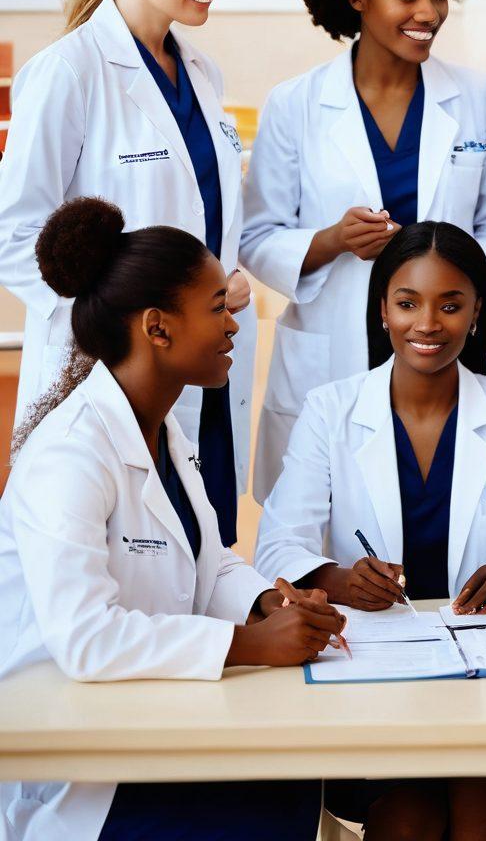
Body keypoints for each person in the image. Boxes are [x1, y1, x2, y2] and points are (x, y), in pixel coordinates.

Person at [0, 198, 345, 841]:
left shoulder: (163, 430)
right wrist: (254, 645)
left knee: (293, 783)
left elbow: (208, 563)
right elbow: (87, 640)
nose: (234, 325)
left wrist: (269, 601)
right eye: (217, 307)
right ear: (157, 328)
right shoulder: (70, 453)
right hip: (78, 761)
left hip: (150, 722)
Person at [256, 221, 486, 841]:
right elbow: (276, 545)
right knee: (405, 818)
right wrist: (342, 580)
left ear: (477, 312)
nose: (427, 324)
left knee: (484, 813)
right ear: (382, 309)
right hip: (378, 672)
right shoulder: (331, 409)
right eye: (407, 303)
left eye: (451, 304)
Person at [0, 0, 255, 545]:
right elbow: (15, 234)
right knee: (113, 565)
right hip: (108, 369)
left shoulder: (201, 72)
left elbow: (207, 215)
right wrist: (121, 316)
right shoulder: (68, 73)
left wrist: (221, 278)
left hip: (198, 359)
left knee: (197, 554)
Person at [240, 0, 486, 501]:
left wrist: (458, 284)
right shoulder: (297, 104)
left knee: (451, 511)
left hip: (444, 339)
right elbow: (257, 237)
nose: (430, 11)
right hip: (338, 342)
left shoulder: (473, 98)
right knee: (332, 526)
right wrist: (330, 241)